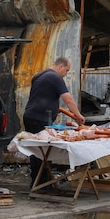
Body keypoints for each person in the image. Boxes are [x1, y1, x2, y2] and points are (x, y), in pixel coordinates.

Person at [23, 57, 86, 188]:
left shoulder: (39, 75)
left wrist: (53, 108)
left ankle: (42, 181)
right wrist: (78, 115)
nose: (66, 74)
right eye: (67, 70)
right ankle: (40, 183)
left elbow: (41, 96)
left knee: (38, 149)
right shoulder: (55, 77)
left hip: (31, 115)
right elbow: (68, 99)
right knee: (41, 150)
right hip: (39, 118)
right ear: (60, 66)